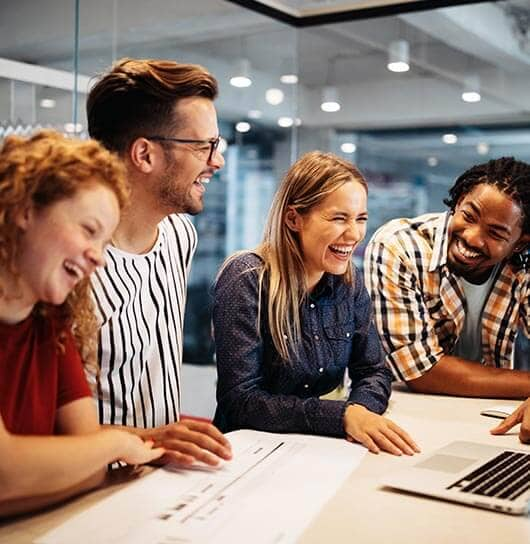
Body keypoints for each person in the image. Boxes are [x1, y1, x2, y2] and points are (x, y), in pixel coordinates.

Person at [0, 131, 164, 517]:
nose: (98, 258)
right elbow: (6, 470)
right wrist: (116, 445)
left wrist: (84, 460)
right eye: (88, 230)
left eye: (104, 242)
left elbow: (86, 466)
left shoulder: (51, 322)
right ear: (24, 209)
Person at [213, 151, 419, 456]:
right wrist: (342, 417)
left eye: (361, 219)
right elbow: (241, 401)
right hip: (247, 454)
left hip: (320, 447)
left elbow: (374, 371)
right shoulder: (246, 278)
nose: (354, 234)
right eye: (339, 218)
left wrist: (360, 414)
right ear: (294, 219)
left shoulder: (350, 282)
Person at [87, 58, 231, 466]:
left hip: (160, 476)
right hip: (91, 485)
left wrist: (164, 443)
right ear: (145, 154)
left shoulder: (179, 234)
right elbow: (43, 425)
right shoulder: (74, 264)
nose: (216, 161)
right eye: (204, 146)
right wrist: (147, 440)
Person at [364, 157, 530, 397]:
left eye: (495, 233)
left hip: (486, 408)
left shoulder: (522, 266)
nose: (472, 238)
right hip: (396, 406)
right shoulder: (399, 246)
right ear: (459, 201)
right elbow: (421, 371)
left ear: (519, 243)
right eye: (469, 216)